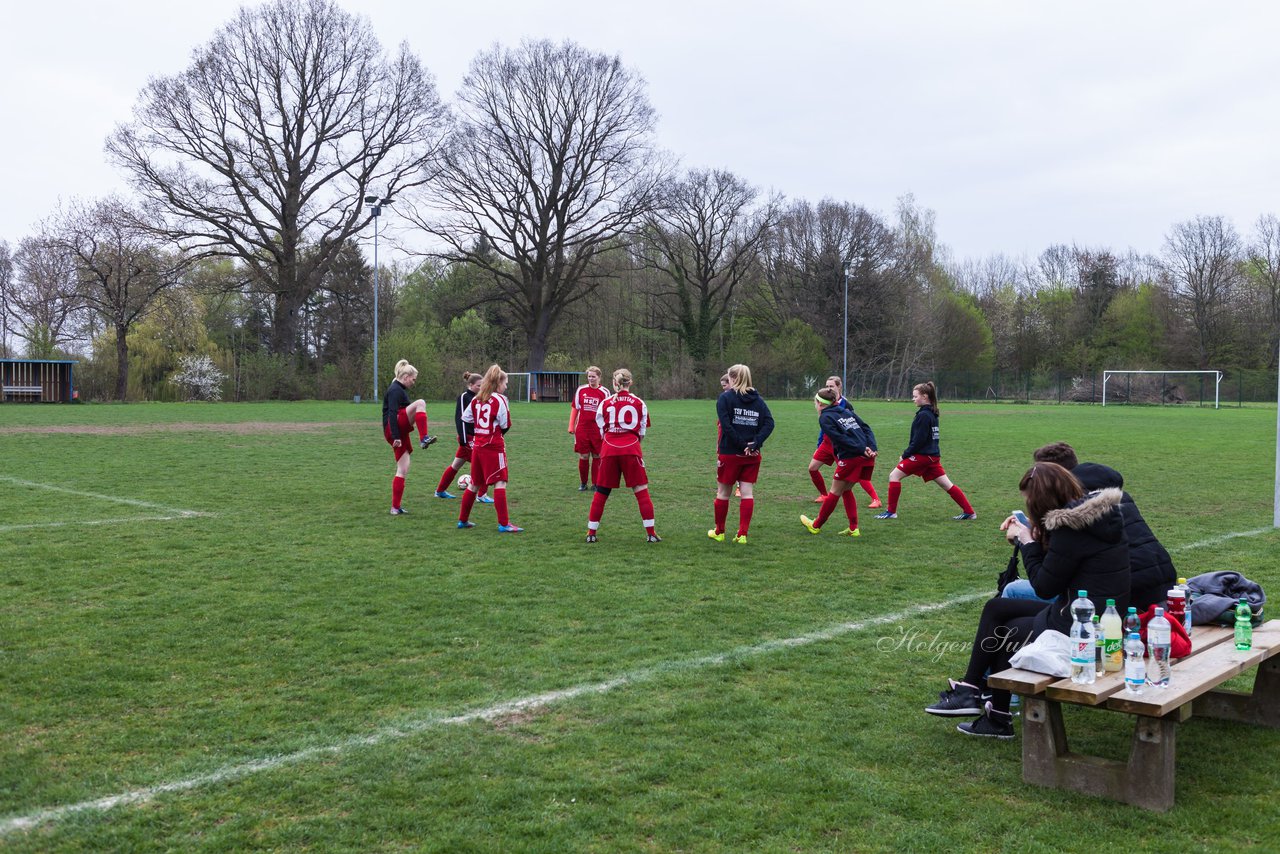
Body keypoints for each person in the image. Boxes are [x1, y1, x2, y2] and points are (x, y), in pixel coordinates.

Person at [924, 462, 1129, 739]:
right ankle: (973, 693)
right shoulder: (1095, 517)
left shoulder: (1072, 529)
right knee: (998, 608)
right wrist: (1036, 534)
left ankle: (991, 712)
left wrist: (1027, 542)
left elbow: (1044, 586)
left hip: (1083, 625)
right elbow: (1063, 565)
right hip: (1093, 613)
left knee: (1006, 629)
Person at [1002, 442, 1175, 610]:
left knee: (1012, 591)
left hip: (1123, 600)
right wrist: (1035, 524)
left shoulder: (1074, 514)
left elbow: (1050, 577)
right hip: (1163, 587)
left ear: (1053, 477)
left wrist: (1025, 540)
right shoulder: (1114, 498)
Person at [875, 381, 975, 521]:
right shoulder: (931, 413)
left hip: (923, 456)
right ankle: (969, 512)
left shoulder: (924, 415)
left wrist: (905, 455)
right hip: (932, 457)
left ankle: (891, 512)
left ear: (925, 396)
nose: (913, 399)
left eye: (915, 396)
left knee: (894, 476)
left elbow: (919, 441)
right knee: (947, 484)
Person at [585, 368, 660, 543]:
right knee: (641, 490)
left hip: (609, 449)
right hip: (631, 449)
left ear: (614, 382)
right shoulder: (639, 402)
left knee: (601, 492)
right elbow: (641, 432)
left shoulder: (605, 403)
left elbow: (601, 429)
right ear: (630, 383)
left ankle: (591, 533)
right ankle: (650, 533)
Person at [710, 363, 774, 544]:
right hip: (751, 455)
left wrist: (741, 444)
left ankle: (719, 531)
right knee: (747, 493)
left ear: (733, 379)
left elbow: (726, 425)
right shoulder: (758, 400)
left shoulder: (725, 398)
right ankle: (742, 534)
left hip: (730, 453)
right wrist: (754, 444)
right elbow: (769, 424)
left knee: (723, 493)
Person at [799, 387, 877, 536]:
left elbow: (839, 438)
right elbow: (866, 428)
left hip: (852, 457)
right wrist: (871, 448)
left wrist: (862, 449)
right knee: (846, 490)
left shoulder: (825, 418)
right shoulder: (845, 411)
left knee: (834, 492)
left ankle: (815, 525)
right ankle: (853, 528)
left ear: (820, 404)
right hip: (866, 457)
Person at [457, 364, 523, 533]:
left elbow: (467, 419)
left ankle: (463, 520)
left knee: (474, 484)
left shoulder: (477, 398)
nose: (506, 386)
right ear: (498, 383)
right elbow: (505, 424)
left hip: (478, 446)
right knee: (500, 483)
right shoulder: (500, 400)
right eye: (505, 383)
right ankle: (504, 523)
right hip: (493, 446)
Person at [808, 376, 881, 508]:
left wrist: (861, 446)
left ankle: (875, 498)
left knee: (853, 475)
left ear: (839, 387)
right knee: (812, 468)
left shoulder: (845, 405)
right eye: (827, 386)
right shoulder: (824, 405)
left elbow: (855, 426)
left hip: (843, 445)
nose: (829, 388)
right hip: (827, 442)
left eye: (831, 386)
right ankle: (824, 495)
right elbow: (824, 429)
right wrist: (819, 444)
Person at [381, 359, 436, 515]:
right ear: (405, 376)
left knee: (403, 468)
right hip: (394, 428)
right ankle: (424, 437)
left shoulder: (399, 388)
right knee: (420, 403)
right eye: (413, 379)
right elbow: (392, 413)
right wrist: (395, 436)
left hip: (398, 430)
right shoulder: (394, 390)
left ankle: (395, 507)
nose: (414, 382)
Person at [432, 372, 492, 505]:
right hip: (468, 439)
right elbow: (461, 420)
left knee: (456, 465)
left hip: (474, 438)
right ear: (470, 385)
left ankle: (440, 491)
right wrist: (464, 440)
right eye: (478, 386)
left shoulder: (480, 397)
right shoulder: (464, 397)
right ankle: (481, 495)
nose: (481, 388)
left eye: (482, 385)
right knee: (484, 464)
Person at [569, 366, 609, 492]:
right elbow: (575, 408)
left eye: (593, 376)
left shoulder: (605, 392)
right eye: (589, 376)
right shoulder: (581, 390)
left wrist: (607, 429)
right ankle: (583, 483)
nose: (591, 379)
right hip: (582, 428)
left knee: (597, 455)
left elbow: (607, 412)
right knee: (584, 456)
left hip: (597, 429)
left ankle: (596, 483)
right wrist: (571, 426)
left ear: (599, 377)